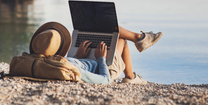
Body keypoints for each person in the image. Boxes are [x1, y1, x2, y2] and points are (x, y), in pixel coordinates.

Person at [29, 22, 163, 84]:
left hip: (85, 59)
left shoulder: (51, 62)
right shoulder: (70, 69)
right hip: (105, 69)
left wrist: (77, 56)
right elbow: (104, 80)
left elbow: (69, 63)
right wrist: (101, 59)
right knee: (119, 36)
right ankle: (130, 76)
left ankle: (140, 39)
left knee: (110, 27)